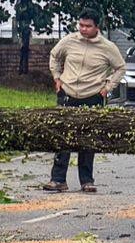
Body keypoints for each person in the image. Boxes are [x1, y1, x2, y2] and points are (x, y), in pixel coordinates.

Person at [45, 12, 126, 193]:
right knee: (62, 137)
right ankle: (57, 179)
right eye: (81, 25)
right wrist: (57, 77)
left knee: (88, 139)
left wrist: (107, 88)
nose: (83, 29)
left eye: (88, 26)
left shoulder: (107, 47)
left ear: (97, 27)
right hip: (68, 93)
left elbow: (120, 68)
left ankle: (86, 180)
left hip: (93, 95)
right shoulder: (69, 41)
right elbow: (54, 56)